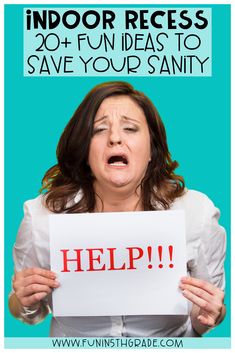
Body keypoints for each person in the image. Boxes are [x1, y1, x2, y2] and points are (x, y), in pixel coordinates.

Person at [9, 81, 226, 337]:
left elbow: (204, 318)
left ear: (151, 151)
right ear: (85, 150)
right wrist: (24, 301)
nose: (114, 138)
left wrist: (212, 314)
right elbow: (24, 310)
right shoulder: (41, 217)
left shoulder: (196, 213)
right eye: (99, 129)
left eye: (130, 128)